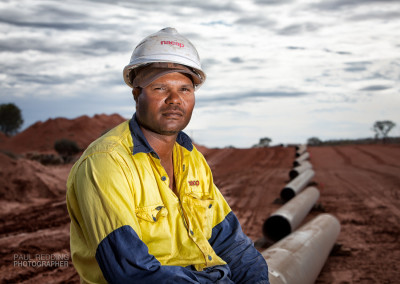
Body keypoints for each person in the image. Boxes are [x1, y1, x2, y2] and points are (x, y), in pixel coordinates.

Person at [66, 27, 270, 284]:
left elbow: (232, 245)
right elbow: (132, 273)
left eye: (185, 89)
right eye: (160, 88)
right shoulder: (106, 163)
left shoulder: (192, 159)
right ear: (136, 94)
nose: (175, 100)